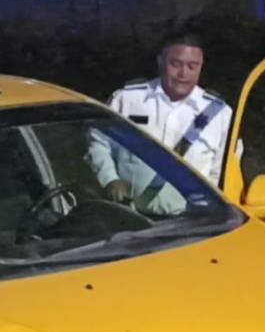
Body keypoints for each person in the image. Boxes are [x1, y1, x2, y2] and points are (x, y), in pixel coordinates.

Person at [87, 33, 233, 215]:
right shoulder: (128, 99)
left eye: (192, 66)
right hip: (131, 218)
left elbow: (222, 173)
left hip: (193, 223)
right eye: (176, 64)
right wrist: (109, 179)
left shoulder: (220, 114)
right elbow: (99, 142)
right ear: (161, 62)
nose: (183, 74)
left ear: (201, 68)